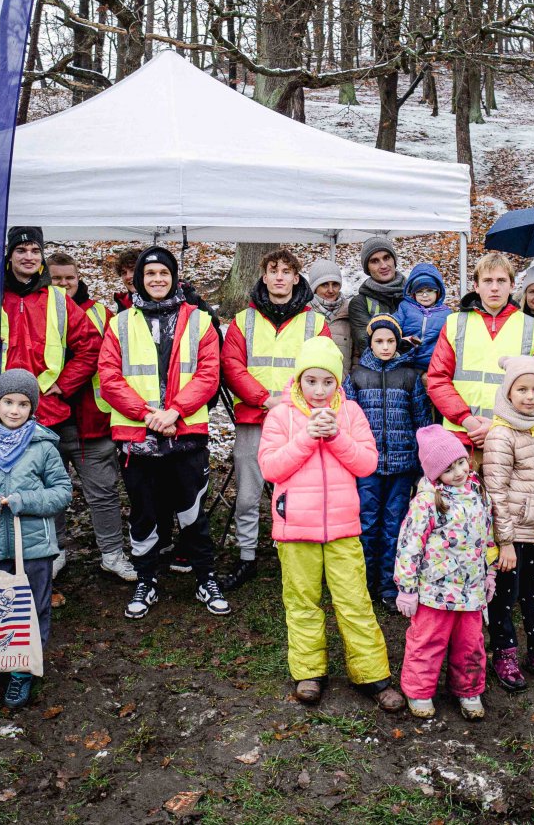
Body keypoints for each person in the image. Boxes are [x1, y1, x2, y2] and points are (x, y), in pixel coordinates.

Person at [257, 337, 406, 712]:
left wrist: (336, 436)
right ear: (299, 380)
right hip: (296, 529)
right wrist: (307, 438)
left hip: (343, 528)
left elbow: (367, 463)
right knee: (303, 601)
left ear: (338, 383)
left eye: (328, 382)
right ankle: (309, 671)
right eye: (312, 381)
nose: (319, 390)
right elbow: (271, 467)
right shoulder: (281, 416)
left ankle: (372, 675)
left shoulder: (351, 414)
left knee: (354, 600)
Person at [98, 246, 229, 620]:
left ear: (175, 278)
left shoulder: (200, 321)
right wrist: (146, 414)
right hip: (138, 437)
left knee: (193, 513)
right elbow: (109, 378)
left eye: (164, 274)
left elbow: (209, 374)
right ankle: (146, 580)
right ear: (140, 279)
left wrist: (174, 411)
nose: (157, 279)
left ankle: (205, 578)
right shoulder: (119, 323)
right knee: (144, 514)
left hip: (185, 432)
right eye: (150, 273)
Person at [0, 370, 71, 709]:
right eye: (8, 402)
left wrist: (25, 502)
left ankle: (23, 671)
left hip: (35, 546)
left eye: (23, 404)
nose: (14, 410)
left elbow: (62, 492)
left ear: (32, 408)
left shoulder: (43, 446)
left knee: (33, 608)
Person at [220, 248, 330, 589]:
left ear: (296, 278)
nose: (279, 276)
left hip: (299, 421)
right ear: (264, 276)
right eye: (273, 270)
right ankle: (248, 557)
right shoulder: (243, 321)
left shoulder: (315, 322)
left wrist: (294, 401)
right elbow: (232, 367)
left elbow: (325, 369)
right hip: (254, 418)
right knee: (249, 493)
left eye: (287, 271)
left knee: (301, 491)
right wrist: (264, 398)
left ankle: (300, 557)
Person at [0, 227, 101, 583]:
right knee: (7, 491)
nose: (28, 256)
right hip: (2, 417)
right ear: (9, 255)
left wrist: (63, 384)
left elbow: (91, 345)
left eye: (34, 250)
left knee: (44, 490)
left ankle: (50, 554)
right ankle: (8, 561)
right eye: (21, 250)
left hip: (48, 414)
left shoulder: (58, 300)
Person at [45, 252, 136, 584]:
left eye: (70, 277)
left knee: (104, 491)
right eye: (56, 278)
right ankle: (54, 551)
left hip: (92, 421)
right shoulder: (39, 309)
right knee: (51, 491)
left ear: (78, 277)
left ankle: (112, 553)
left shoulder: (100, 313)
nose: (65, 284)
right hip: (48, 421)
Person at [394, 425, 495, 721]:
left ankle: (469, 689)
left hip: (471, 591)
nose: (459, 472)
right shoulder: (428, 501)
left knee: (471, 643)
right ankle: (419, 690)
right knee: (427, 641)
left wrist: (489, 575)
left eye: (461, 462)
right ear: (436, 474)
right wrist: (406, 588)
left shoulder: (478, 494)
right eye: (449, 469)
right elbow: (409, 545)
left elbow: (487, 538)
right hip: (434, 591)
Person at [482, 355, 534, 691]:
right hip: (512, 536)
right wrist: (504, 542)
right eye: (522, 390)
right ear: (509, 393)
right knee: (504, 596)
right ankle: (504, 652)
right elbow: (496, 491)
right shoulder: (501, 434)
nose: (530, 396)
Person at [343, 315, 434, 604]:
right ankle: (364, 584)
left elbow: (422, 422)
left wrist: (422, 465)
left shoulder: (408, 376)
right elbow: (346, 419)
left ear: (398, 343)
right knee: (367, 524)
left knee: (394, 524)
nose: (385, 346)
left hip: (401, 464)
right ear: (370, 342)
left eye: (390, 341)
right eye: (379, 341)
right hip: (367, 465)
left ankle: (388, 585)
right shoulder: (357, 376)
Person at [426, 252, 534, 456]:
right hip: (460, 439)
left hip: (512, 439)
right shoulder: (454, 323)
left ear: (512, 285)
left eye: (501, 280)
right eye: (487, 281)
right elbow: (438, 380)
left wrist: (498, 425)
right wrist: (467, 421)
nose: (494, 287)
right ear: (476, 286)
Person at [348, 236, 408, 358]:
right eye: (375, 261)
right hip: (376, 373)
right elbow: (365, 342)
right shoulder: (360, 303)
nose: (383, 265)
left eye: (387, 258)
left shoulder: (413, 295)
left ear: (394, 260)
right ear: (367, 268)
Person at [393, 262, 453, 372]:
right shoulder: (406, 307)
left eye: (430, 290)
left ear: (438, 292)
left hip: (435, 362)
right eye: (419, 291)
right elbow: (393, 324)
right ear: (413, 294)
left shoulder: (446, 313)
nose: (425, 295)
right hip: (407, 360)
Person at [306, 259, 353, 379]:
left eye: (335, 284)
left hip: (343, 386)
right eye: (325, 284)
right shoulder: (304, 314)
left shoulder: (350, 312)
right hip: (312, 386)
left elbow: (357, 354)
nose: (331, 290)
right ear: (314, 287)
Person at [112, 247, 142, 312]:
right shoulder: (121, 304)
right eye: (124, 273)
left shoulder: (165, 303)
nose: (128, 276)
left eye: (133, 270)